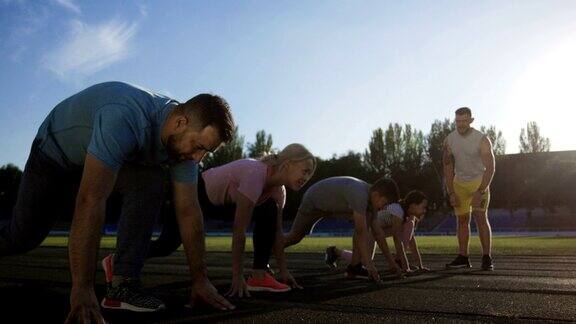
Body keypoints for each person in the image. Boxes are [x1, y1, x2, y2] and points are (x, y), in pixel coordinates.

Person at [0, 81, 236, 323]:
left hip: (96, 159)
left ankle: (123, 285)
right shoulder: (124, 115)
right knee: (22, 236)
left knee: (151, 179)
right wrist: (82, 290)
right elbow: (91, 199)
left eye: (205, 152)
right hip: (54, 157)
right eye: (198, 147)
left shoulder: (183, 144)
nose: (198, 159)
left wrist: (200, 279)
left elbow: (188, 210)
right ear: (180, 123)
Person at [140, 144, 316, 297]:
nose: (306, 178)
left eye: (310, 175)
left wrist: (284, 271)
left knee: (269, 209)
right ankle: (124, 257)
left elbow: (277, 233)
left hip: (226, 204)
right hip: (197, 192)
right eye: (305, 171)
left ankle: (259, 275)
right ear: (287, 164)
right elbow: (239, 230)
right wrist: (237, 276)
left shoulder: (279, 191)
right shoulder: (255, 174)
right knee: (166, 245)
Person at [284, 176, 398, 282]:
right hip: (314, 201)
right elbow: (361, 233)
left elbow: (378, 233)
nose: (384, 208)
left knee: (367, 217)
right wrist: (369, 265)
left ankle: (354, 267)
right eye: (384, 203)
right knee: (294, 237)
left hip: (332, 207)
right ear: (376, 195)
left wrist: (392, 263)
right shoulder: (360, 194)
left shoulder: (371, 203)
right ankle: (268, 251)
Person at [443, 107, 495, 270]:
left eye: (464, 121)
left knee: (480, 218)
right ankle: (463, 257)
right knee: (462, 220)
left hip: (478, 181)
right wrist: (451, 192)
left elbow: (491, 167)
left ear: (471, 120)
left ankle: (487, 257)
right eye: (458, 121)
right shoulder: (449, 140)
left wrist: (481, 191)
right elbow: (448, 168)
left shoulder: (482, 139)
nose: (461, 124)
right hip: (459, 184)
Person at [371, 190, 430, 275]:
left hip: (378, 232)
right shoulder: (398, 211)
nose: (425, 211)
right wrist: (406, 268)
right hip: (369, 233)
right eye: (423, 207)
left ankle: (399, 262)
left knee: (410, 223)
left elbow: (411, 241)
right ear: (413, 205)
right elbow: (397, 240)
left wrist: (420, 266)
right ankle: (399, 263)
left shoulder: (409, 217)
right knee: (362, 261)